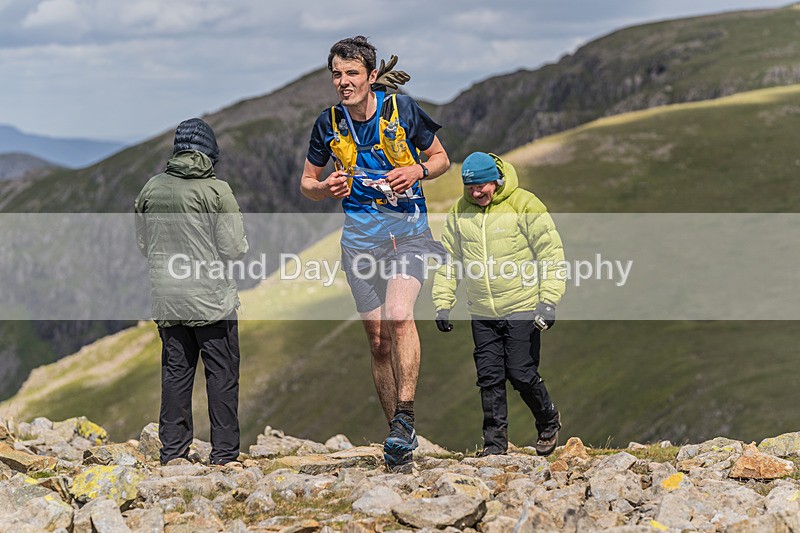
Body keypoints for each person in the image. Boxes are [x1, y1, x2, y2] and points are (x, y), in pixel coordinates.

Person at [300, 36, 450, 469]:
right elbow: (307, 183)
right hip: (360, 245)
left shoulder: (401, 110)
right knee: (379, 342)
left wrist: (417, 169)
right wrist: (324, 187)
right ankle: (397, 441)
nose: (343, 82)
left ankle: (406, 417)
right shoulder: (327, 123)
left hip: (408, 235)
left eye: (351, 74)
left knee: (400, 316)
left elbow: (441, 158)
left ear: (370, 75)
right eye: (337, 75)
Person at [432, 152, 565, 456]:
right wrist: (443, 301)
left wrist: (548, 301)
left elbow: (550, 253)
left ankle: (548, 419)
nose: (477, 193)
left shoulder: (524, 204)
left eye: (482, 186)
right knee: (489, 378)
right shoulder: (459, 213)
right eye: (470, 188)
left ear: (496, 180)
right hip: (482, 311)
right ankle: (494, 446)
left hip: (522, 305)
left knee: (521, 373)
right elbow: (450, 261)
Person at [135, 118, 249, 465]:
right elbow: (233, 248)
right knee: (222, 375)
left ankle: (172, 454)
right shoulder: (217, 191)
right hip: (211, 301)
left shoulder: (151, 188)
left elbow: (144, 244)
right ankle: (225, 456)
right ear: (210, 153)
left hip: (169, 300)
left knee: (175, 375)